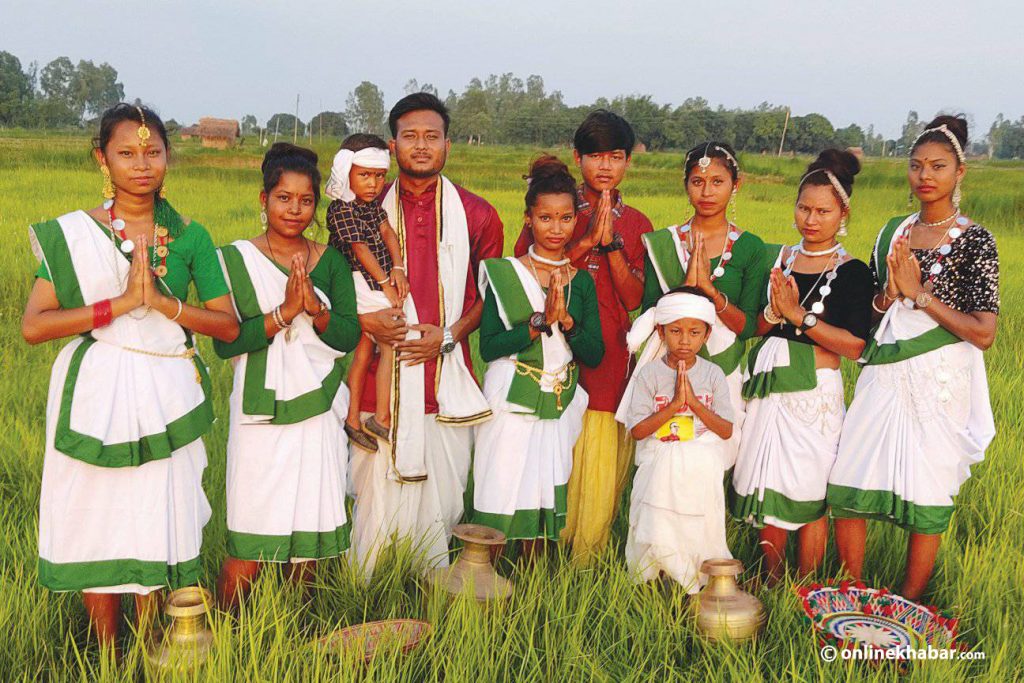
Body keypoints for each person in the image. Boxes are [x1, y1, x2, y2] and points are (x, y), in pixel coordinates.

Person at [21, 103, 239, 649]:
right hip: (97, 393)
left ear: (169, 156)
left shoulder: (189, 235)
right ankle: (106, 655)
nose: (141, 164)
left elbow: (228, 326)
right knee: (101, 517)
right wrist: (119, 304)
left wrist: (163, 306)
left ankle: (146, 647)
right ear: (102, 158)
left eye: (152, 151)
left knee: (153, 516)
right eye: (126, 153)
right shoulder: (75, 233)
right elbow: (34, 326)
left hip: (166, 396)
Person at [827, 115, 998, 600]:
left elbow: (984, 333)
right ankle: (852, 588)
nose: (925, 175)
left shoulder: (974, 240)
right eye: (916, 165)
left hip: (939, 378)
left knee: (928, 482)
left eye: (938, 166)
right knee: (851, 473)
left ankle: (910, 598)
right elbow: (875, 312)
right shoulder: (892, 234)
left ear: (959, 172)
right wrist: (889, 296)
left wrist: (920, 294)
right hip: (885, 372)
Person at [349, 93, 503, 574]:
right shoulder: (362, 210)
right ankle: (368, 595)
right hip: (381, 381)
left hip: (446, 379)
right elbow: (339, 287)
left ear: (448, 145)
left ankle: (431, 589)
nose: (421, 146)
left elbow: (487, 297)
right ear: (393, 145)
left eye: (431, 137)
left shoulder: (478, 214)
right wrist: (364, 321)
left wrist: (450, 336)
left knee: (441, 504)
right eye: (410, 136)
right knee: (374, 507)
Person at [214, 143, 361, 608]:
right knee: (251, 532)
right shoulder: (235, 259)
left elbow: (348, 336)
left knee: (309, 529)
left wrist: (315, 309)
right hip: (259, 415)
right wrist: (283, 313)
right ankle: (227, 629)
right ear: (263, 199)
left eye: (305, 200)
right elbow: (227, 341)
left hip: (318, 408)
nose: (294, 209)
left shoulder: (332, 261)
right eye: (283, 198)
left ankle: (298, 636)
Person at [513, 110, 653, 563]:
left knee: (598, 445)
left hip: (608, 348)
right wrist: (586, 240)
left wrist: (611, 245)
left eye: (615, 156)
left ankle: (585, 552)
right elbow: (524, 275)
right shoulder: (553, 208)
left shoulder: (637, 224)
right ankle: (539, 545)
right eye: (595, 156)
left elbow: (633, 298)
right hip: (547, 349)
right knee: (550, 439)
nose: (605, 166)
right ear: (578, 158)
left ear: (628, 161)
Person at [729, 150, 873, 584]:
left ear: (843, 212)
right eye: (804, 208)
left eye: (823, 211)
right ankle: (773, 576)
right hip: (770, 384)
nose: (811, 219)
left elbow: (852, 345)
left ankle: (807, 583)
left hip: (814, 392)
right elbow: (757, 324)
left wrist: (800, 317)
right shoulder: (780, 259)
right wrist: (775, 315)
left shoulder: (852, 273)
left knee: (809, 485)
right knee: (768, 474)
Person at [472, 156, 604, 558]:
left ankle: (531, 584)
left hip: (557, 401)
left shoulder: (580, 282)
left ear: (575, 222)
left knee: (541, 487)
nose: (556, 228)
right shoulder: (503, 272)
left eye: (565, 219)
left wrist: (565, 321)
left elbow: (594, 354)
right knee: (499, 485)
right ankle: (482, 574)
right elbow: (489, 346)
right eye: (546, 218)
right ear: (528, 218)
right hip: (510, 397)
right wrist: (535, 325)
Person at [640, 142, 768, 468]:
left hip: (722, 373)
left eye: (717, 182)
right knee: (666, 459)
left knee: (711, 461)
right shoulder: (664, 243)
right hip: (668, 369)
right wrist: (685, 287)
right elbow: (650, 314)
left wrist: (710, 291)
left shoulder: (751, 248)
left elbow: (748, 327)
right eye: (697, 181)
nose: (707, 192)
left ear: (735, 185)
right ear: (686, 185)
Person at [619, 288, 734, 592]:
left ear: (706, 335)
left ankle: (695, 583)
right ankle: (654, 581)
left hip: (700, 468)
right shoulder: (649, 375)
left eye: (694, 332)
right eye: (675, 331)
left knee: (696, 527)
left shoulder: (713, 374)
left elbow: (725, 430)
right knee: (658, 527)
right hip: (660, 465)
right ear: (660, 331)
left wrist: (695, 404)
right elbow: (638, 431)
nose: (685, 340)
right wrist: (672, 407)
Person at [324, 134, 409, 453]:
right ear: (346, 173)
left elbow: (388, 232)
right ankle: (382, 418)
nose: (373, 183)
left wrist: (398, 268)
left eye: (378, 176)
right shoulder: (341, 209)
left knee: (363, 353)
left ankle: (353, 419)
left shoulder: (371, 205)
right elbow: (360, 250)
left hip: (378, 278)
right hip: (360, 282)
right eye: (364, 175)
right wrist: (386, 283)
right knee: (392, 342)